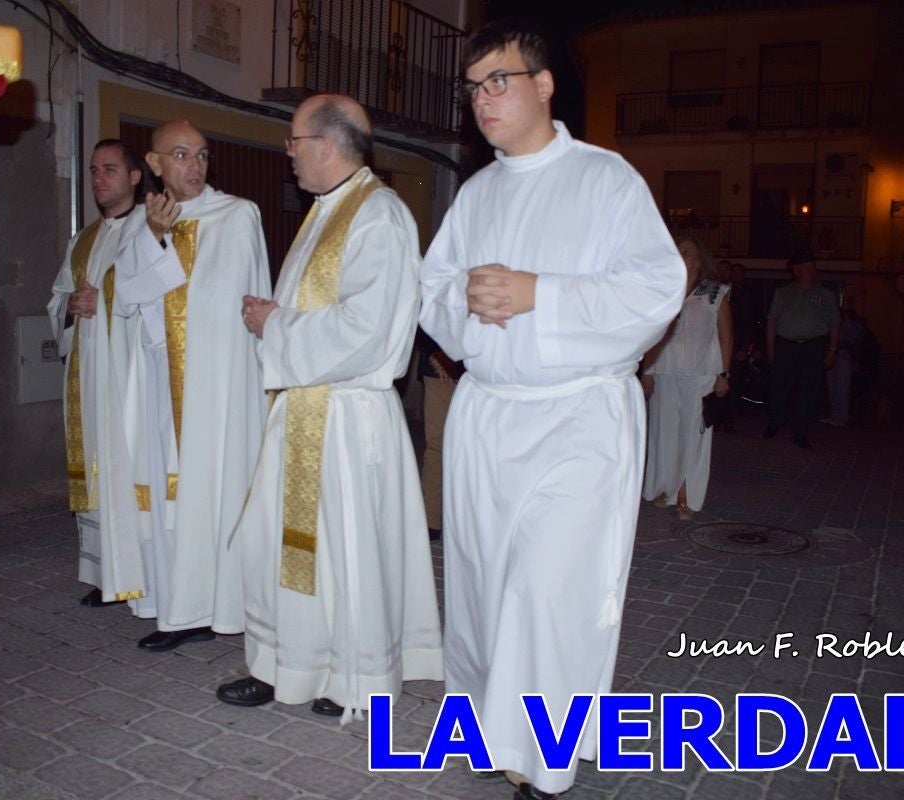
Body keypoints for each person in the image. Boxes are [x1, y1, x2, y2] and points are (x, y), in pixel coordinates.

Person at [419, 19, 685, 800]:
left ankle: (541, 759)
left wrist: (543, 294)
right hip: (489, 415)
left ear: (543, 85)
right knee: (484, 587)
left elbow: (655, 288)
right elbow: (434, 292)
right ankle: (488, 729)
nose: (482, 99)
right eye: (473, 87)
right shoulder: (476, 194)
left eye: (498, 81)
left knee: (549, 587)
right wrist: (467, 302)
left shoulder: (606, 180)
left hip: (576, 419)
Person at [215, 94, 443, 721]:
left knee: (344, 551)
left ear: (325, 144)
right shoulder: (326, 210)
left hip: (345, 418)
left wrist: (274, 324)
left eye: (294, 140)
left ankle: (352, 676)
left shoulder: (380, 215)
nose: (287, 152)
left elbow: (365, 330)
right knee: (284, 544)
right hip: (304, 409)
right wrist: (273, 321)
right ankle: (286, 664)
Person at [113, 119, 270, 651]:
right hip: (161, 385)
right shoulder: (142, 224)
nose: (194, 166)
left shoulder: (238, 216)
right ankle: (176, 607)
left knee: (214, 489)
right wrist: (156, 237)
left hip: (217, 388)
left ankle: (219, 605)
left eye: (201, 155)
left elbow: (245, 303)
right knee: (167, 496)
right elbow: (127, 298)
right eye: (180, 155)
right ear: (154, 163)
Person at [47, 139, 146, 607]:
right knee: (96, 467)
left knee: (129, 468)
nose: (99, 179)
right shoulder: (82, 240)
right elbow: (57, 298)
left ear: (134, 177)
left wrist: (105, 300)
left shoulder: (151, 230)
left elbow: (163, 299)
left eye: (110, 169)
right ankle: (106, 573)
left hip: (129, 377)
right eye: (93, 170)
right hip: (88, 376)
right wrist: (70, 304)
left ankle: (140, 572)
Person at [640, 238, 733, 520]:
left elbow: (726, 336)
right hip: (664, 370)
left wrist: (723, 374)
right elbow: (651, 335)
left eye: (687, 252)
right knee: (664, 432)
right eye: (677, 251)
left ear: (699, 259)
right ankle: (663, 488)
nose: (681, 255)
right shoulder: (663, 291)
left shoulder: (715, 292)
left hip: (701, 373)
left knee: (693, 435)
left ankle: (685, 494)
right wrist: (647, 371)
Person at [763, 252, 840, 448]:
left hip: (813, 347)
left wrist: (832, 350)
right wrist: (770, 351)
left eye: (813, 267)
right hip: (786, 345)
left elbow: (834, 323)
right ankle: (776, 420)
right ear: (796, 271)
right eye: (807, 267)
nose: (812, 271)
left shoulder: (826, 294)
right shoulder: (783, 293)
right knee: (778, 386)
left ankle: (801, 432)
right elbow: (772, 321)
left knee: (809, 390)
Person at [415, 328, 462, 540]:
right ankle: (431, 520)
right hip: (439, 368)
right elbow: (422, 317)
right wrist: (434, 353)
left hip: (482, 368)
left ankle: (467, 521)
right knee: (438, 444)